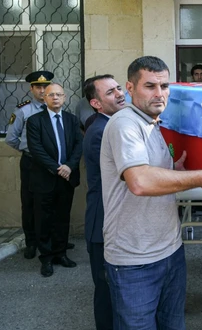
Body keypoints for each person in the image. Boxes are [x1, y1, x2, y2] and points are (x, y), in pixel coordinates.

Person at [100, 56, 202, 329]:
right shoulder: (126, 124)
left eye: (164, 86)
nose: (159, 93)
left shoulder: (153, 121)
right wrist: (200, 177)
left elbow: (153, 172)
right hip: (134, 260)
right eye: (150, 86)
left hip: (169, 251)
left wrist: (176, 168)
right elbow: (140, 182)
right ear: (130, 87)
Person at [82, 74, 126, 330]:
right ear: (96, 103)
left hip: (111, 220)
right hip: (102, 223)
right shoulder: (100, 131)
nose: (119, 93)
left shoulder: (112, 124)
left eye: (119, 88)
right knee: (106, 290)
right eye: (110, 92)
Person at [26, 83, 83, 277]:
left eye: (59, 94)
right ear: (45, 98)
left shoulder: (72, 120)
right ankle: (47, 258)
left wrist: (69, 166)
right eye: (51, 95)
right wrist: (57, 168)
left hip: (67, 178)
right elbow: (36, 149)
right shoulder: (34, 121)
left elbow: (78, 144)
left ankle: (61, 254)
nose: (55, 98)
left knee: (62, 218)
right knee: (43, 220)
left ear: (65, 97)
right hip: (45, 178)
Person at [5, 71, 53, 259]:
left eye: (45, 87)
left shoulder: (55, 108)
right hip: (32, 162)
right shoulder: (23, 110)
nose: (42, 90)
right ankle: (31, 242)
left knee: (53, 201)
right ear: (31, 89)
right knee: (30, 202)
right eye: (38, 87)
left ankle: (55, 241)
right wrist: (29, 149)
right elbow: (11, 138)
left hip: (53, 162)